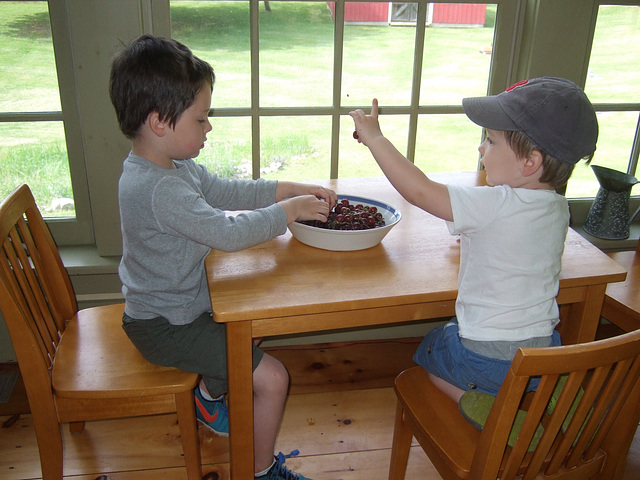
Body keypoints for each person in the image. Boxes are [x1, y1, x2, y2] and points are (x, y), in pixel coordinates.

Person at [109, 34, 336, 480]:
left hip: (181, 307)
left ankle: (209, 401)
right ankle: (260, 470)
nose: (208, 127)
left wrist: (286, 188)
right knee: (271, 378)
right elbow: (227, 233)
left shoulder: (170, 166)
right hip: (165, 327)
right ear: (159, 122)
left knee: (245, 331)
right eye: (201, 118)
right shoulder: (160, 189)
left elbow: (225, 192)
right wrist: (287, 212)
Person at [349, 77, 598, 402]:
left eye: (492, 142)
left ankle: (481, 407)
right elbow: (520, 245)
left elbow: (420, 191)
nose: (481, 148)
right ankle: (526, 397)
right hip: (541, 351)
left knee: (432, 348)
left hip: (488, 357)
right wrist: (481, 238)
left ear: (530, 162)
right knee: (470, 339)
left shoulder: (495, 204)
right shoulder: (557, 208)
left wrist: (375, 138)